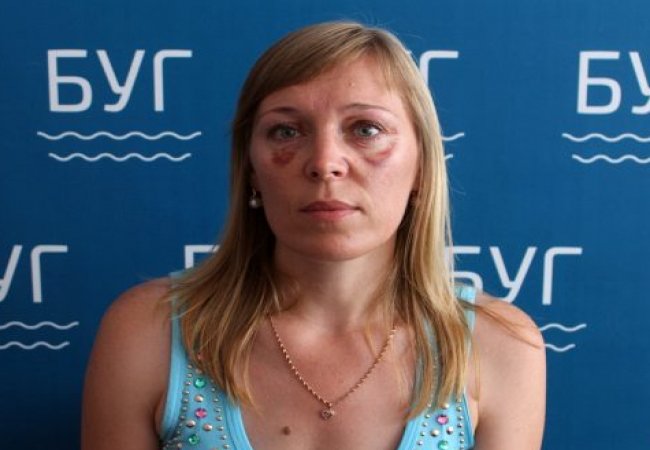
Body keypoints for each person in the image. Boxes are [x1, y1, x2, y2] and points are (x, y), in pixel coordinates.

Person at [81, 21, 545, 450]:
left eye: (366, 129)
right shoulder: (150, 331)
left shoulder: (498, 347)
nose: (324, 162)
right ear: (251, 169)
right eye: (286, 131)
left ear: (422, 165)